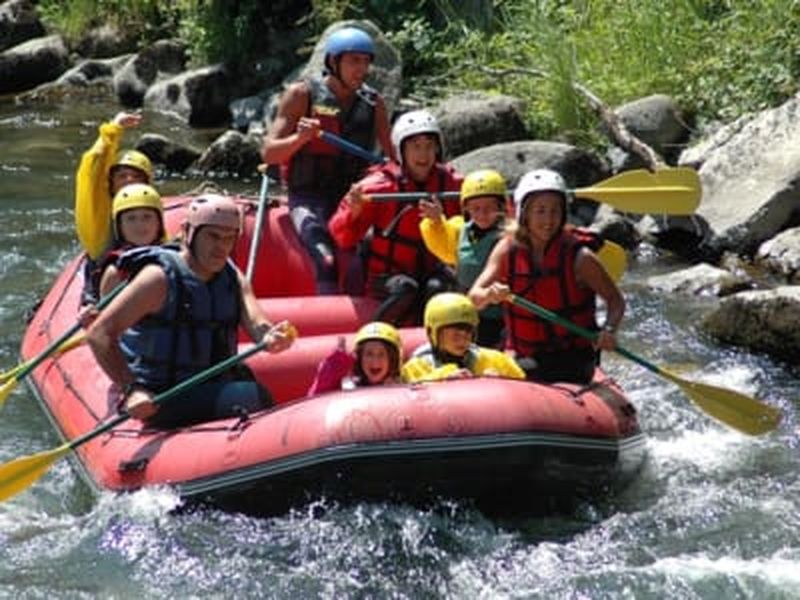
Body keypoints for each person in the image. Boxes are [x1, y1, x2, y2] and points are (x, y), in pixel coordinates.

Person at [86, 194, 295, 428]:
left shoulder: (232, 277)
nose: (221, 248)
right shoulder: (158, 279)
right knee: (251, 395)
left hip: (209, 386)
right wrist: (132, 389)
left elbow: (257, 323)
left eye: (229, 239)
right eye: (213, 237)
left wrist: (271, 336)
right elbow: (99, 333)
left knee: (246, 381)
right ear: (187, 233)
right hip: (161, 395)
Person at [261, 26, 394, 294]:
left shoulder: (373, 103)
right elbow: (268, 152)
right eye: (354, 61)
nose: (362, 69)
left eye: (366, 61)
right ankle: (331, 313)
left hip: (351, 198)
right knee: (326, 258)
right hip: (309, 197)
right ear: (334, 62)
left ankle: (360, 314)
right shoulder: (302, 95)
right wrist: (299, 139)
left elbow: (392, 157)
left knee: (372, 252)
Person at [469, 169, 625, 384]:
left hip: (572, 358)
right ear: (524, 213)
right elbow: (473, 298)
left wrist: (609, 330)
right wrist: (489, 294)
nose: (549, 219)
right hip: (523, 351)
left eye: (555, 211)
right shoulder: (507, 249)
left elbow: (615, 300)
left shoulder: (579, 257)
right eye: (540, 211)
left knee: (524, 370)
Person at [329, 109, 463, 325]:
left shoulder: (453, 184)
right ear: (402, 150)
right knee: (405, 289)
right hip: (387, 276)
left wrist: (442, 222)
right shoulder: (379, 187)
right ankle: (375, 340)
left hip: (431, 270)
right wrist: (353, 213)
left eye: (429, 146)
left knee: (438, 287)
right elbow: (343, 238)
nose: (424, 155)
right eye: (416, 147)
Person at [420, 168, 509, 348]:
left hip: (498, 313)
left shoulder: (509, 235)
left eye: (489, 208)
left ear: (500, 207)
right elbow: (443, 246)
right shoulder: (460, 229)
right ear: (466, 208)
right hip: (466, 310)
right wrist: (437, 222)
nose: (483, 214)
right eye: (476, 208)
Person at [75, 111, 154, 304]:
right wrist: (113, 129)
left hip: (147, 278)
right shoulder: (99, 211)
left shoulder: (151, 207)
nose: (129, 181)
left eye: (136, 177)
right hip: (104, 285)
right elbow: (95, 165)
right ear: (110, 182)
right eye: (122, 176)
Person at [401, 292, 524, 383]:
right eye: (455, 335)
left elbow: (523, 385)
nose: (463, 340)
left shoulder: (495, 360)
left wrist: (503, 382)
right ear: (431, 332)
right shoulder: (415, 368)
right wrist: (443, 378)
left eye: (468, 333)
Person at [89, 182, 166, 300]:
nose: (140, 224)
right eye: (131, 218)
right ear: (119, 227)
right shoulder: (115, 272)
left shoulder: (174, 257)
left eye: (147, 216)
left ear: (159, 223)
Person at [306, 321, 403, 395]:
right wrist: (334, 367)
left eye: (381, 354)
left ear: (392, 360)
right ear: (360, 358)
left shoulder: (403, 390)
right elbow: (316, 399)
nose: (375, 361)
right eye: (369, 354)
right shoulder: (349, 388)